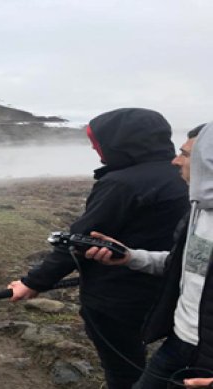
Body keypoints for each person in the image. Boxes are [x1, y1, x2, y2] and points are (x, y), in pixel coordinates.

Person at [7, 108, 190, 389]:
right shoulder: (183, 176)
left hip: (116, 296)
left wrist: (33, 282)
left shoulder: (122, 183)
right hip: (168, 289)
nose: (96, 150)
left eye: (98, 143)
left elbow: (78, 240)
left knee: (123, 368)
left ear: (120, 143)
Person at [84, 123, 213, 389]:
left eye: (187, 155)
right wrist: (130, 257)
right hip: (179, 342)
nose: (176, 161)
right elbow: (182, 266)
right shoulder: (197, 211)